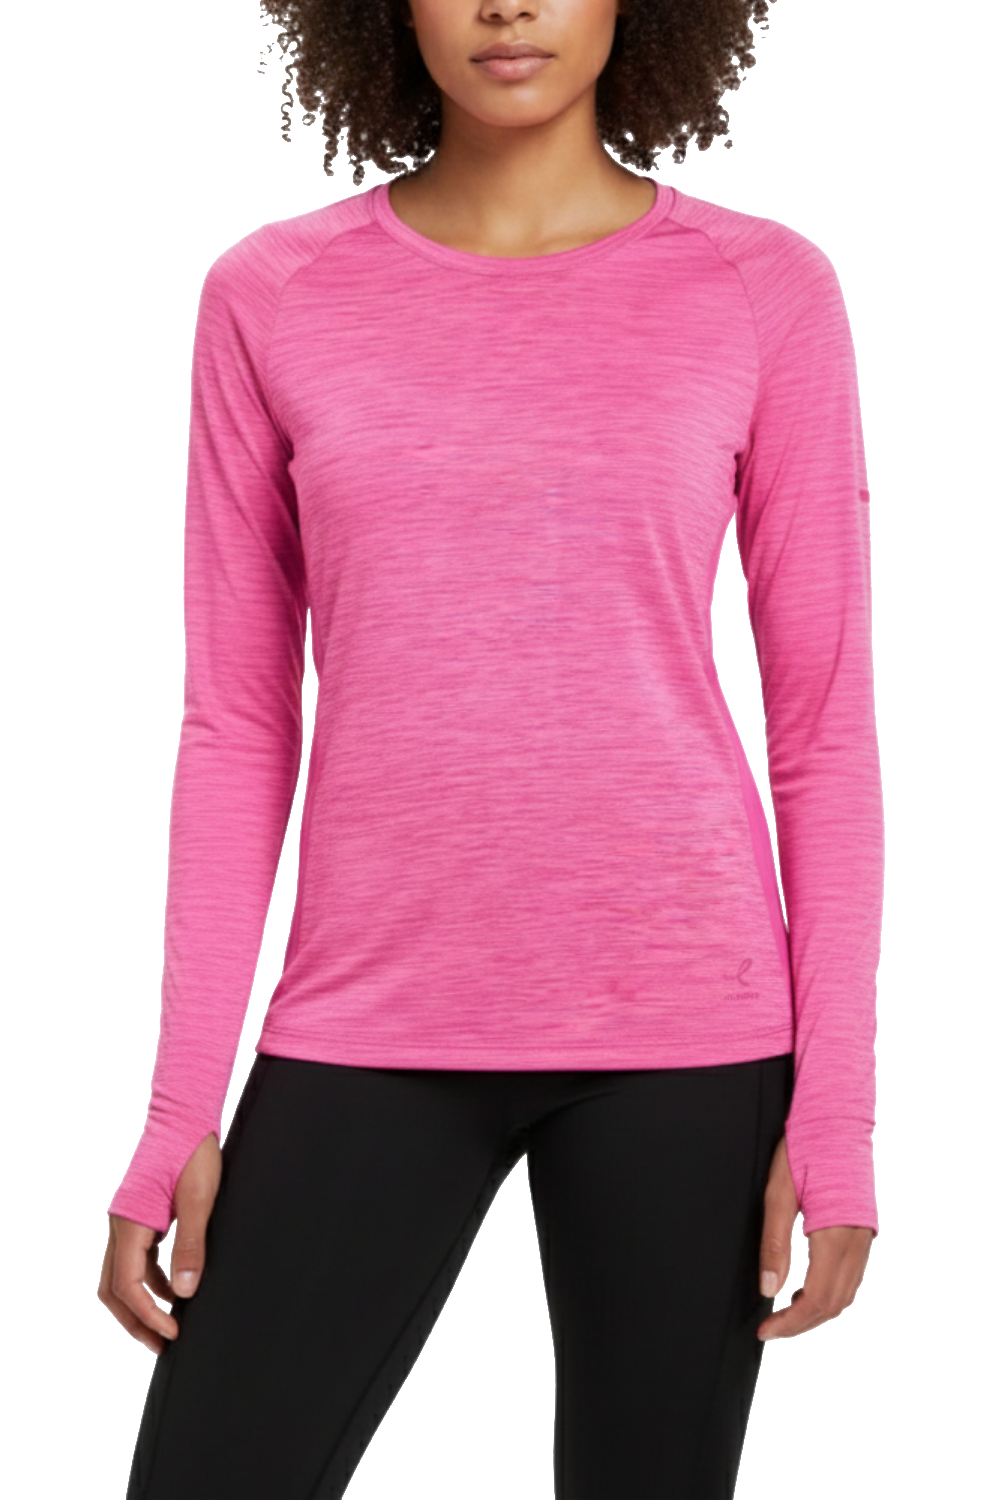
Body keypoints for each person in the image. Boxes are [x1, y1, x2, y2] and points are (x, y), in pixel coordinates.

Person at [98, 2, 882, 1495]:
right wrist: (180, 1107)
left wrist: (837, 1114)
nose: (506, 3)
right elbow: (237, 725)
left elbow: (824, 730)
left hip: (689, 1030)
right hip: (362, 1016)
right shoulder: (272, 290)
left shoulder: (761, 285)